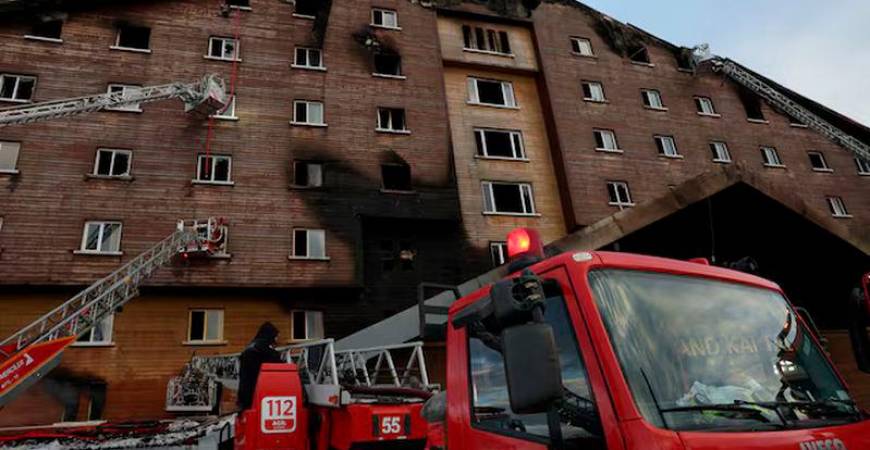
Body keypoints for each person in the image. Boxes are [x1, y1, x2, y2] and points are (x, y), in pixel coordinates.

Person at [237, 321, 284, 409]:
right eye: (275, 337)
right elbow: (279, 365)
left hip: (245, 393)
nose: (276, 340)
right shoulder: (263, 349)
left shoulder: (250, 347)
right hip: (257, 394)